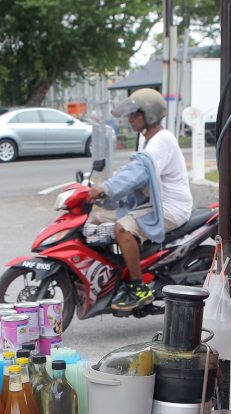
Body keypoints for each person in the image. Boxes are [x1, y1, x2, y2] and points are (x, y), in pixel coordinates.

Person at [86, 88, 193, 311]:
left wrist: (106, 187)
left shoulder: (161, 140)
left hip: (171, 207)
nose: (130, 119)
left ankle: (138, 287)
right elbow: (132, 172)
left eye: (135, 114)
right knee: (96, 217)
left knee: (122, 228)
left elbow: (138, 172)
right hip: (153, 203)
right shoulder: (146, 141)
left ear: (150, 114)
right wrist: (103, 192)